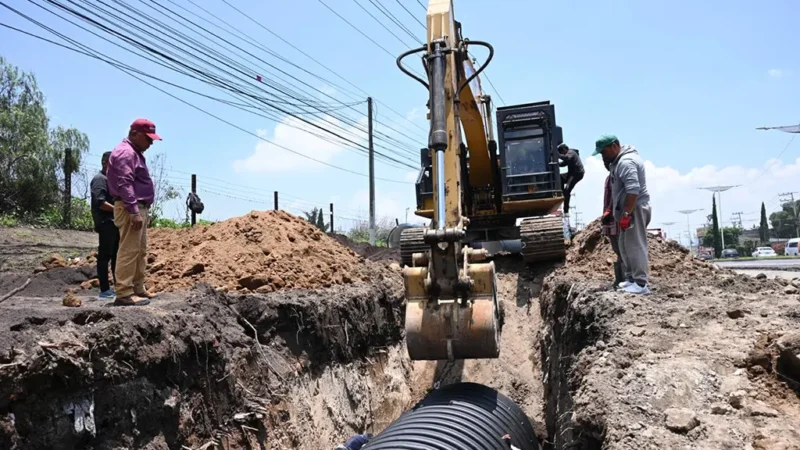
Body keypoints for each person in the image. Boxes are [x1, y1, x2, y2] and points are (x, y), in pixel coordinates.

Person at [107, 118, 162, 306]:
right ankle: (124, 292)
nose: (151, 143)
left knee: (140, 251)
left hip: (139, 207)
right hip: (131, 207)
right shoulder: (126, 153)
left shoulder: (135, 153)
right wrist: (133, 211)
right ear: (134, 134)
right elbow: (124, 183)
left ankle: (138, 288)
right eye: (148, 138)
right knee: (129, 250)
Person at [593, 134, 651, 294]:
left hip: (635, 209)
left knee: (635, 245)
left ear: (614, 146)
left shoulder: (626, 162)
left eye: (604, 152)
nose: (603, 156)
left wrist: (626, 213)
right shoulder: (618, 162)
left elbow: (633, 190)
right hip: (628, 210)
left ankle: (640, 284)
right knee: (625, 246)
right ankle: (631, 279)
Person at [90, 151, 119, 300]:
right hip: (106, 222)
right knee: (105, 256)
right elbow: (100, 203)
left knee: (115, 256)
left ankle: (117, 287)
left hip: (114, 223)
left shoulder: (110, 180)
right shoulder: (100, 180)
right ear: (105, 163)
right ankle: (104, 290)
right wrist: (119, 210)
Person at [601, 156, 625, 288]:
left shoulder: (616, 177)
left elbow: (616, 196)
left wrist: (609, 211)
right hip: (611, 219)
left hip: (616, 216)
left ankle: (627, 280)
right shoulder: (609, 177)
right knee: (618, 250)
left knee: (623, 250)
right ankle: (620, 279)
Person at [557, 143, 584, 216]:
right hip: (571, 174)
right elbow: (564, 163)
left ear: (564, 150)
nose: (561, 154)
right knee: (560, 177)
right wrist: (557, 164)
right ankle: (561, 193)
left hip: (576, 174)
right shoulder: (568, 154)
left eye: (561, 152)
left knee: (567, 191)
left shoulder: (571, 152)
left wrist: (557, 155)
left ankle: (566, 212)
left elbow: (567, 158)